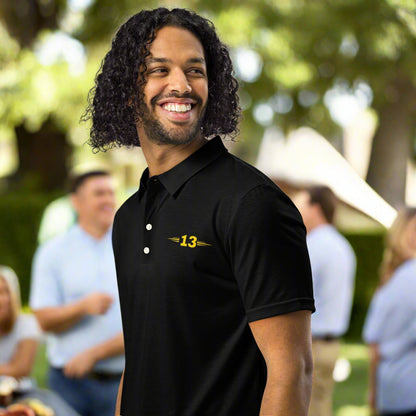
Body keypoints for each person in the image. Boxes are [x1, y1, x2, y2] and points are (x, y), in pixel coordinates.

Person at [83, 8, 315, 416]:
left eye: (195, 71)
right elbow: (140, 359)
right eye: (159, 69)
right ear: (126, 88)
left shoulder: (252, 203)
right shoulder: (127, 218)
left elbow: (291, 371)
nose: (181, 85)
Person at [29, 171, 124, 416]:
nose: (108, 200)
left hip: (124, 382)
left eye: (111, 193)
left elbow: (150, 318)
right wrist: (83, 307)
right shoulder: (53, 252)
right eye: (98, 193)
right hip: (68, 385)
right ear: (76, 202)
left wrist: (94, 354)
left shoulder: (133, 246)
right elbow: (44, 320)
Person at [294, 185, 356, 416]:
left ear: (315, 208)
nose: (296, 210)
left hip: (310, 344)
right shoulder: (343, 245)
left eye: (301, 205)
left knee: (303, 407)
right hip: (331, 344)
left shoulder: (312, 246)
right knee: (321, 406)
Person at [0, 265, 81, 416]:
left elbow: (21, 369)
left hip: (21, 393)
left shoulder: (26, 324)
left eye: (5, 292)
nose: (1, 299)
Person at [363, 207, 416, 416]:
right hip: (407, 391)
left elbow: (373, 346)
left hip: (392, 391)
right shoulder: (408, 276)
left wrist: (373, 394)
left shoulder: (391, 280)